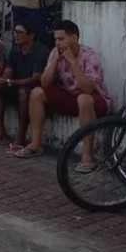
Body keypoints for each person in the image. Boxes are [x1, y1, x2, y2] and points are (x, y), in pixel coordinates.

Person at [14, 20, 109, 172]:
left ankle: (87, 156)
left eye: (61, 39)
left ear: (74, 38)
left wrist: (73, 63)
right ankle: (35, 144)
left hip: (93, 100)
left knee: (83, 98)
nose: (58, 43)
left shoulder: (90, 56)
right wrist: (56, 61)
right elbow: (44, 83)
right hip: (70, 97)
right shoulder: (54, 53)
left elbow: (87, 89)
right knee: (37, 93)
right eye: (56, 39)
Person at [0, 19, 50, 152]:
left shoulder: (41, 51)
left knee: (24, 93)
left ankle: (20, 136)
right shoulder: (15, 49)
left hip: (32, 87)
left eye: (20, 32)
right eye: (15, 32)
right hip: (16, 84)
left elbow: (36, 78)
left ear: (31, 35)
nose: (16, 35)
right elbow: (8, 71)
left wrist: (9, 82)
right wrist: (1, 80)